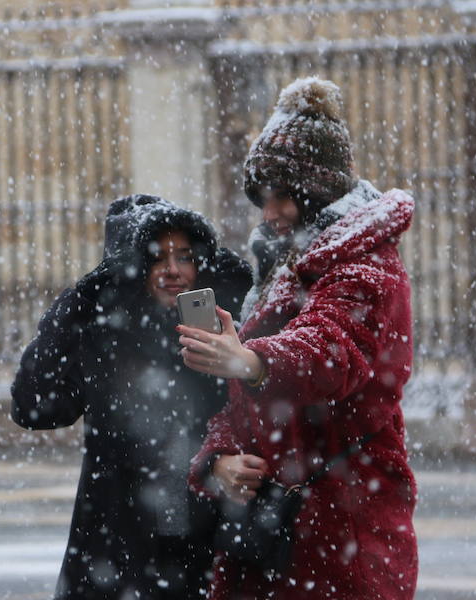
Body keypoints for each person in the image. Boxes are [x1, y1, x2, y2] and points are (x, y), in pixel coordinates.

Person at [179, 77, 419, 599]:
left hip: (342, 538)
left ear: (319, 190)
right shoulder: (286, 267)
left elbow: (331, 351)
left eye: (282, 196)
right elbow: (246, 404)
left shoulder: (368, 267)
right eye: (261, 198)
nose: (269, 214)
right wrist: (219, 462)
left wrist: (252, 360)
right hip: (277, 540)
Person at [10, 194, 253, 599]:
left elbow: (263, 419)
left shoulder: (226, 330)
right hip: (118, 553)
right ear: (133, 266)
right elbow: (34, 408)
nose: (173, 270)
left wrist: (217, 462)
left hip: (210, 548)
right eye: (158, 258)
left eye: (186, 256)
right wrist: (76, 305)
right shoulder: (103, 338)